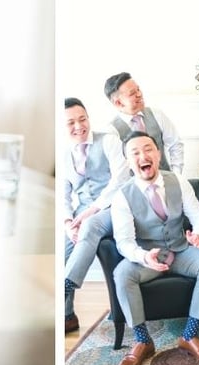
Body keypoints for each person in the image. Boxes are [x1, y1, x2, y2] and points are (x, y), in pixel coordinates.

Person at [110, 131, 199, 365]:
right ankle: (142, 340)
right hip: (147, 258)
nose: (143, 156)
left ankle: (190, 335)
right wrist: (143, 257)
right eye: (135, 153)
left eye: (148, 149)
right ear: (128, 162)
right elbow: (124, 242)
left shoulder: (178, 181)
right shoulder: (122, 196)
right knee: (122, 274)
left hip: (181, 251)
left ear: (158, 154)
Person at [62, 97, 129, 334]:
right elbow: (63, 196)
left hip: (114, 208)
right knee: (63, 248)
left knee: (89, 225)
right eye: (71, 122)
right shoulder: (62, 154)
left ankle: (65, 284)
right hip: (81, 214)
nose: (79, 126)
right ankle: (66, 315)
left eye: (82, 119)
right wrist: (69, 223)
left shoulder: (109, 141)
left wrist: (93, 209)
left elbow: (121, 179)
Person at [103, 72, 184, 175]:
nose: (139, 94)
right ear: (118, 103)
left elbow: (175, 144)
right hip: (134, 187)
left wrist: (176, 176)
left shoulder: (157, 114)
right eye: (132, 93)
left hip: (165, 181)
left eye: (138, 89)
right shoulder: (111, 131)